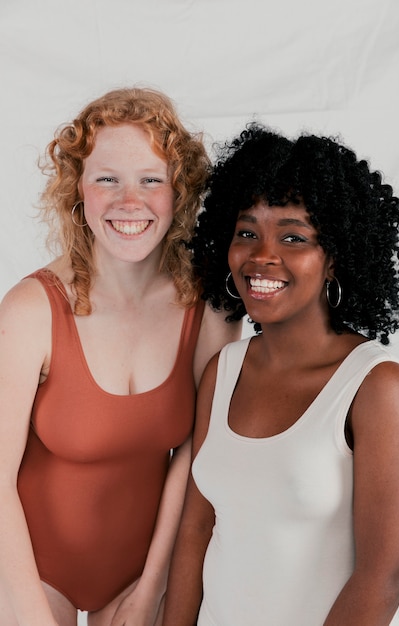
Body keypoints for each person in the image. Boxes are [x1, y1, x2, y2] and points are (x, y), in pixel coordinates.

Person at [0, 87, 241, 626]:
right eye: (107, 178)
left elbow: (196, 457)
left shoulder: (211, 310)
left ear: (178, 193)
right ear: (77, 190)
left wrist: (151, 590)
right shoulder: (29, 310)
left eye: (151, 180)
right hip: (28, 574)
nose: (128, 201)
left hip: (141, 574)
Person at [162, 123, 399, 626]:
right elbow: (195, 530)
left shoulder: (373, 385)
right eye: (247, 232)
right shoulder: (225, 369)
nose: (262, 256)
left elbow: (387, 571)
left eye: (293, 236)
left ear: (334, 257)